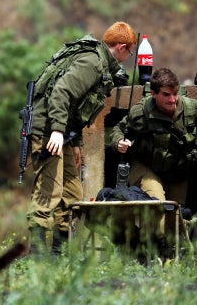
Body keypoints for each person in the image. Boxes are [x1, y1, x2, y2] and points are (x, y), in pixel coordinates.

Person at [27, 21, 137, 257]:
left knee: (72, 193)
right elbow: (61, 92)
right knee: (50, 190)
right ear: (121, 46)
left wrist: (74, 143)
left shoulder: (101, 64)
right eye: (129, 51)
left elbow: (78, 109)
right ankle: (37, 254)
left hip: (63, 134)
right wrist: (57, 130)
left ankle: (59, 250)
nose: (128, 57)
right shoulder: (93, 62)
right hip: (49, 130)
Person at [110, 67, 197, 259]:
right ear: (153, 94)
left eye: (174, 94)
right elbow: (118, 130)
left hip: (178, 171)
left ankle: (169, 256)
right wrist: (119, 143)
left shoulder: (193, 109)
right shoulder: (140, 112)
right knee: (156, 204)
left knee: (174, 215)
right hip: (147, 167)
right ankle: (148, 254)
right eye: (166, 95)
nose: (172, 100)